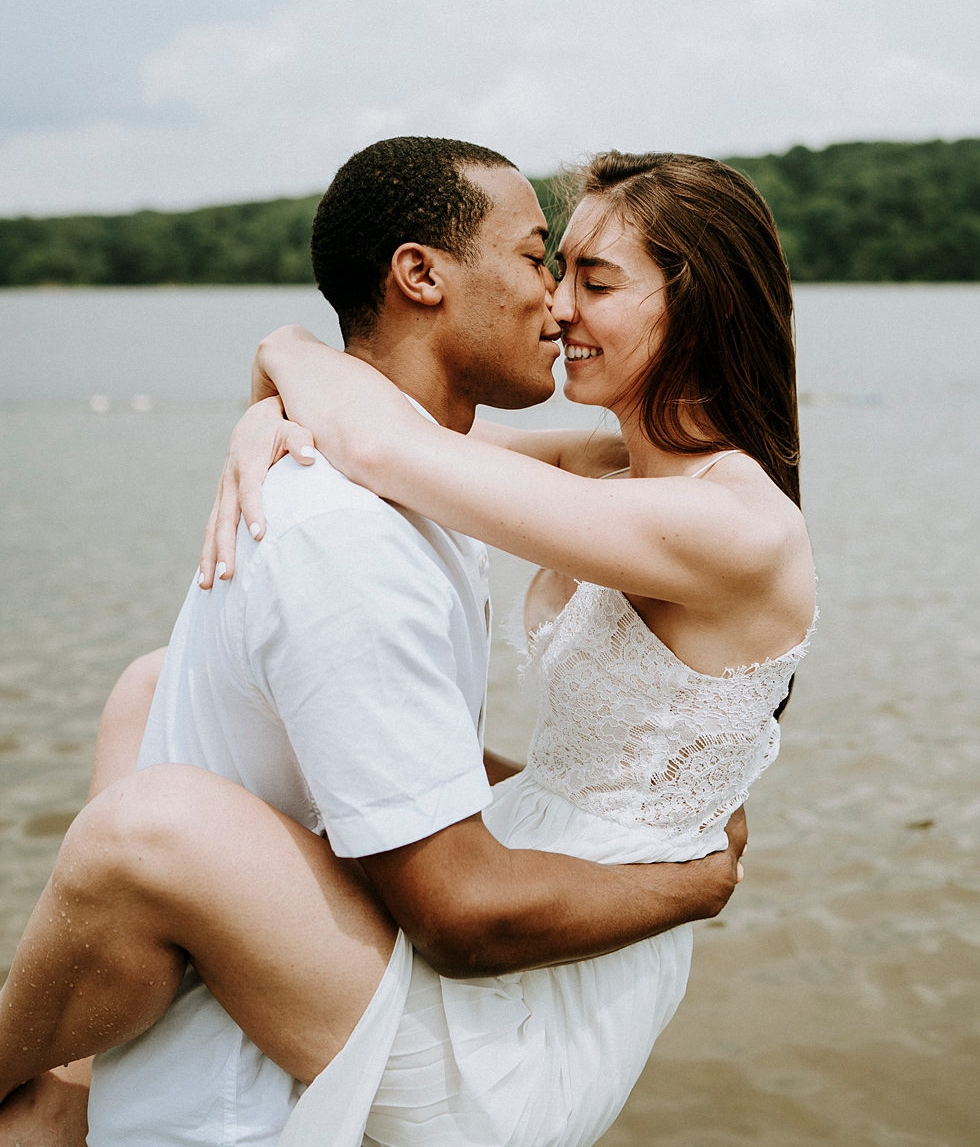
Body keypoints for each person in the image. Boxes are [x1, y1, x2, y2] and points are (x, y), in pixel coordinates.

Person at [0, 140, 776, 1147]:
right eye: (542, 259)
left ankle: (63, 1084)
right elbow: (457, 908)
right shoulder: (365, 515)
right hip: (298, 1052)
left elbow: (412, 444)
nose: (555, 303)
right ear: (419, 274)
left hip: (445, 1021)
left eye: (587, 276)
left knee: (154, 770)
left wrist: (279, 372)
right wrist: (279, 376)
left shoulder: (443, 475)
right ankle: (60, 1083)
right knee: (149, 729)